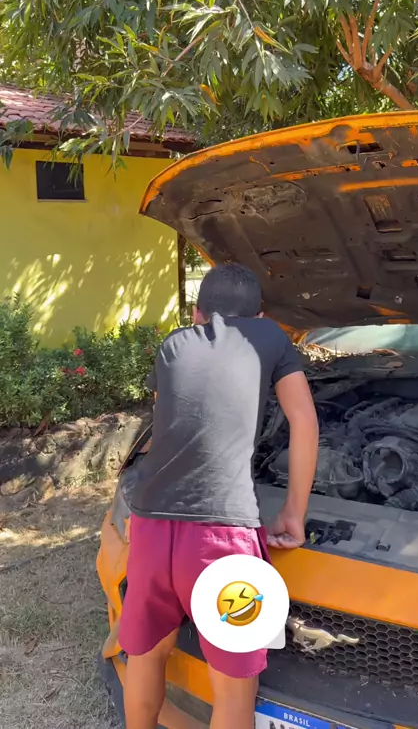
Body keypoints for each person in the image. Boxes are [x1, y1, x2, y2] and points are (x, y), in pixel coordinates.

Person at [119, 263, 319, 729]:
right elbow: (304, 421)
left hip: (151, 527)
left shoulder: (173, 345)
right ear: (261, 315)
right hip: (222, 540)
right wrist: (293, 513)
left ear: (196, 313)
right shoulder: (270, 336)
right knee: (232, 688)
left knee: (146, 655)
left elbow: (165, 428)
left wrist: (139, 509)